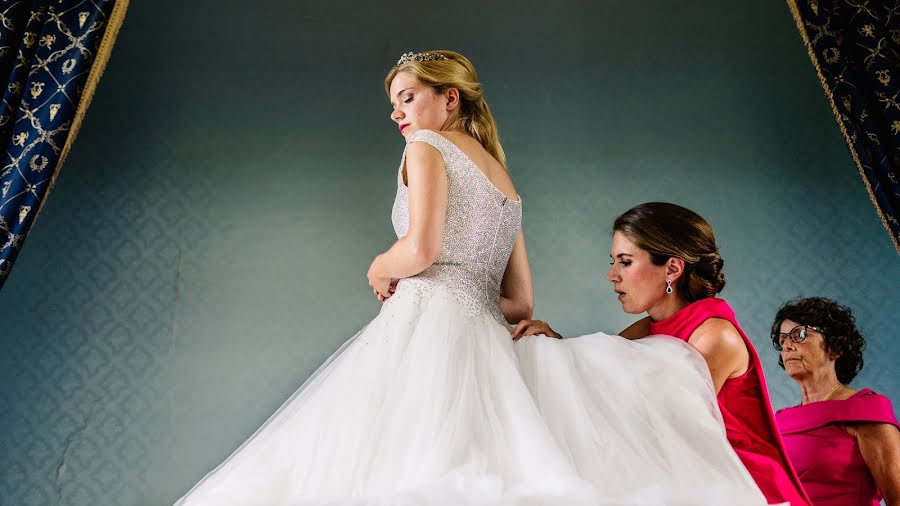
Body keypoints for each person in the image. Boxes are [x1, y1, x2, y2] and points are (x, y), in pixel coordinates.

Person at [174, 51, 767, 505]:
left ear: (449, 99)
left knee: (374, 468)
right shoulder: (505, 182)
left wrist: (381, 266)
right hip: (485, 340)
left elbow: (422, 247)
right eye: (395, 103)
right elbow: (519, 301)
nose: (398, 113)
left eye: (408, 97)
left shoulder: (427, 146)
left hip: (425, 327)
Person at [515, 202, 810, 506]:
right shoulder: (646, 329)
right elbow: (598, 389)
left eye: (625, 262)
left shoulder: (715, 337)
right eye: (613, 261)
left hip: (750, 492)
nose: (612, 275)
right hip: (690, 484)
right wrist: (554, 347)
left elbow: (653, 422)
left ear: (672, 268)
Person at [771, 297, 900, 505]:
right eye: (783, 339)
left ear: (835, 347)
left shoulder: (865, 409)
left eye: (800, 335)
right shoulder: (779, 420)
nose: (787, 345)